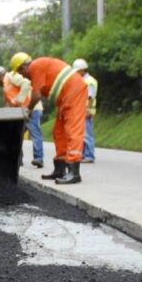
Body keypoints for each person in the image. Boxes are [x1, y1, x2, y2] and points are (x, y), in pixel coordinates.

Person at [11, 52, 88, 184]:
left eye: (20, 73)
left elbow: (36, 95)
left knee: (72, 130)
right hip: (65, 97)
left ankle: (74, 172)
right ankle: (60, 169)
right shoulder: (37, 67)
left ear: (23, 67)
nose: (22, 76)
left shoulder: (35, 66)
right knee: (58, 132)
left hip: (74, 90)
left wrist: (28, 111)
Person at [0, 66, 44, 168]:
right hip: (21, 112)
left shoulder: (11, 76)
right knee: (16, 135)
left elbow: (26, 83)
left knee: (35, 133)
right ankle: (18, 159)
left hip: (32, 109)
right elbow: (7, 104)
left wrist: (20, 100)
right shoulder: (6, 86)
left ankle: (39, 158)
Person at [73, 58, 98, 163]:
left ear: (83, 70)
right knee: (82, 134)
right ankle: (83, 154)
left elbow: (90, 97)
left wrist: (88, 110)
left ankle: (89, 155)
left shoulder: (89, 81)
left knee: (87, 134)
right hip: (80, 110)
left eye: (77, 71)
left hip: (86, 110)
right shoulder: (83, 80)